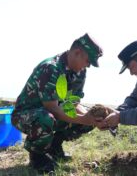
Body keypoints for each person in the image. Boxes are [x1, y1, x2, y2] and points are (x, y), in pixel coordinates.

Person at [11, 33, 103, 173]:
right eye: (87, 61)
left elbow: (73, 103)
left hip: (52, 113)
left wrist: (91, 118)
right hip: (26, 115)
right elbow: (52, 108)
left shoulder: (80, 72)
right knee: (46, 118)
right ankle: (37, 156)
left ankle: (54, 147)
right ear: (77, 52)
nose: (88, 66)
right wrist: (83, 119)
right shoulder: (51, 68)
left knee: (90, 117)